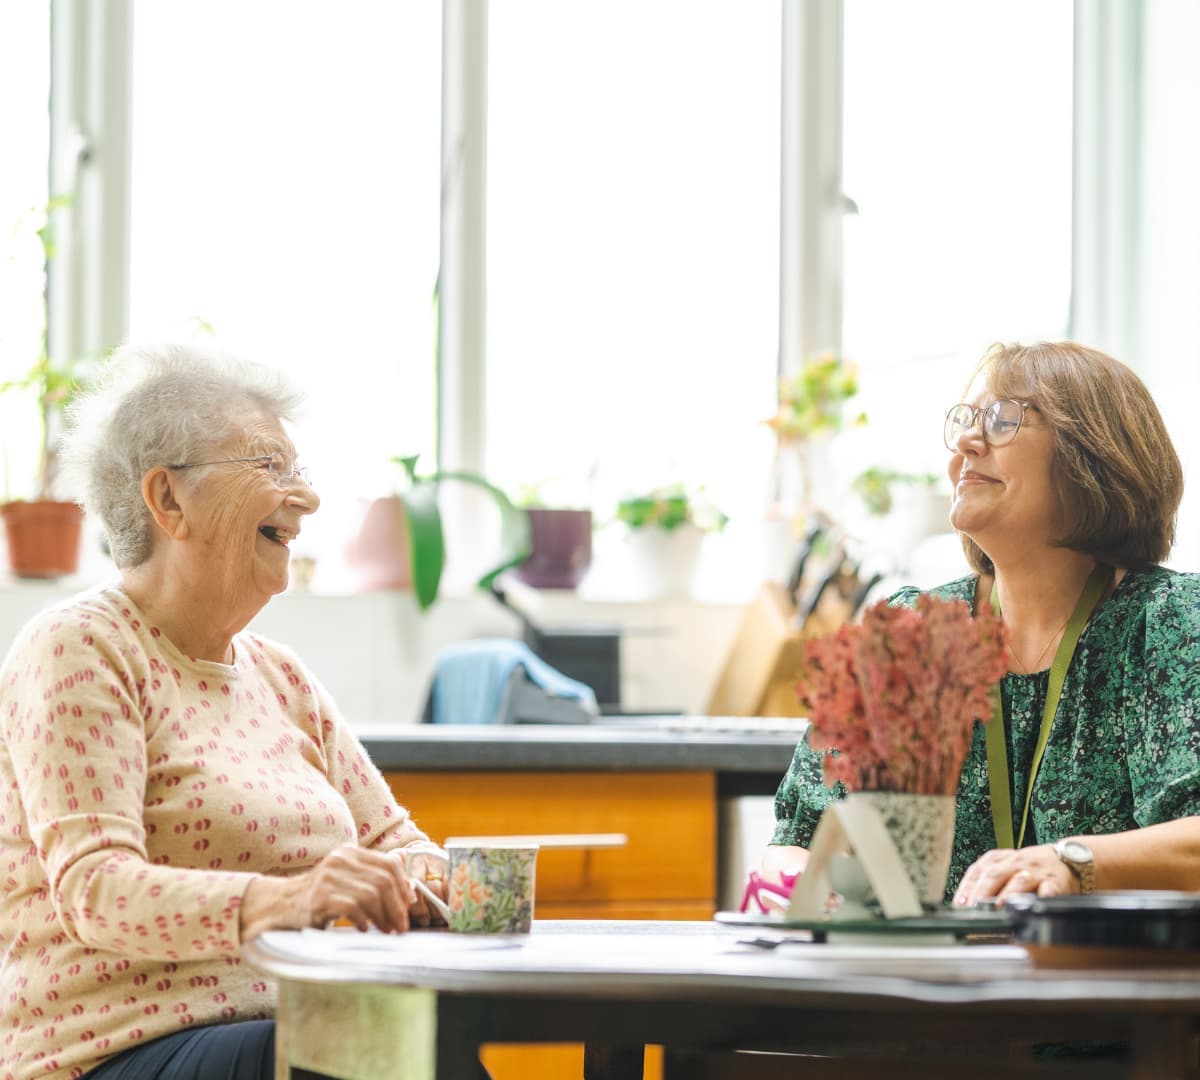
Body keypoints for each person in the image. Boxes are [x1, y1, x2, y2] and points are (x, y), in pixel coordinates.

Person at [0, 342, 451, 1080]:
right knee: (367, 1053)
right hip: (109, 1050)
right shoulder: (80, 647)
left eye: (299, 471)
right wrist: (292, 898)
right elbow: (95, 888)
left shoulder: (282, 677)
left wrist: (435, 879)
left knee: (416, 1046)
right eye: (270, 467)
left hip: (288, 1031)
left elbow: (396, 842)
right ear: (169, 499)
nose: (304, 498)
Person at [765, 340, 1200, 907]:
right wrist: (814, 889)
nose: (968, 442)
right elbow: (793, 843)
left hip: (1102, 986)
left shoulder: (1168, 623)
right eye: (966, 421)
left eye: (1001, 420)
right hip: (922, 987)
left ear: (1092, 455)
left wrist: (1069, 864)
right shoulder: (908, 633)